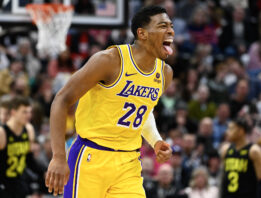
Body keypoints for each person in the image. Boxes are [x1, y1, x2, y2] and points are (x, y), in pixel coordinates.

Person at [45, 5, 174, 198]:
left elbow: (143, 110)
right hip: (91, 157)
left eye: (171, 26)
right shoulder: (110, 60)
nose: (171, 30)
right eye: (163, 25)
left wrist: (155, 140)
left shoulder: (164, 73)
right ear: (143, 33)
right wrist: (58, 156)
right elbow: (61, 99)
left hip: (128, 162)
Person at [220, 117, 261, 198]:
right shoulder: (225, 150)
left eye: (231, 129)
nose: (227, 132)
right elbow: (223, 180)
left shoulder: (254, 151)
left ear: (241, 131)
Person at [0, 96, 35, 198]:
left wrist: (44, 172)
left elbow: (30, 160)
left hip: (20, 183)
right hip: (3, 185)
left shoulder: (29, 130)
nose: (28, 115)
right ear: (13, 112)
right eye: (24, 112)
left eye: (30, 112)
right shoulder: (2, 132)